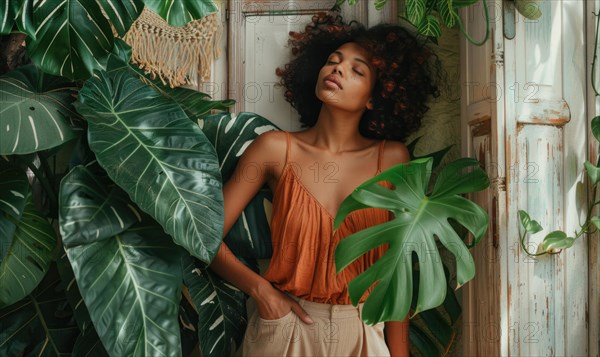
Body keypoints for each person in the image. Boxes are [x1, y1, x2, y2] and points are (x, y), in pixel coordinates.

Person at [209, 12, 442, 356]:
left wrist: (399, 353)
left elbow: (398, 269)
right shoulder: (274, 149)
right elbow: (204, 235)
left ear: (375, 97)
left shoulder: (392, 159)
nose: (338, 69)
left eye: (357, 70)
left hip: (364, 329)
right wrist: (262, 293)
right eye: (334, 61)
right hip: (286, 328)